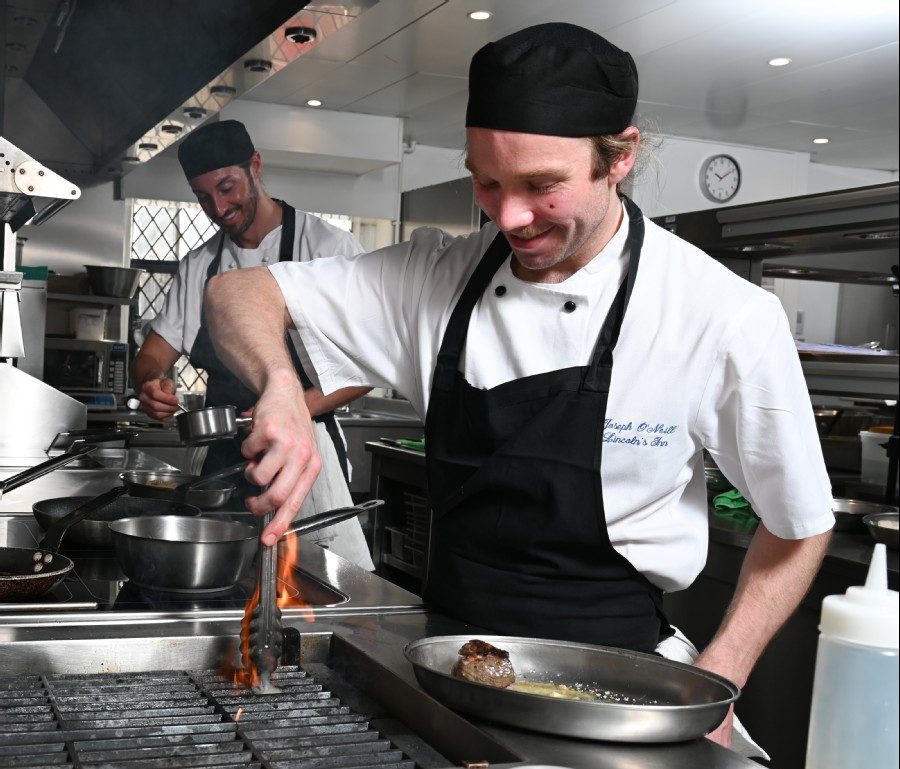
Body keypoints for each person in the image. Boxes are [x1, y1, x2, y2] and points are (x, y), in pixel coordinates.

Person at [202, 24, 833, 753]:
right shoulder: (434, 279)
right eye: (488, 182)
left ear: (619, 157)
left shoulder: (720, 315)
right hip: (446, 682)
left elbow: (800, 524)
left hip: (625, 699)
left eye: (541, 186)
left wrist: (717, 680)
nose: (507, 217)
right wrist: (281, 382)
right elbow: (236, 294)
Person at [131, 119, 373, 569]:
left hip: (306, 446)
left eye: (227, 187)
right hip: (225, 451)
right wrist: (150, 382)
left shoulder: (329, 248)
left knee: (314, 579)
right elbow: (153, 354)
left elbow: (367, 368)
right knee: (224, 571)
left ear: (255, 166)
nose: (218, 207)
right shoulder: (200, 265)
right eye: (203, 197)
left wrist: (291, 406)